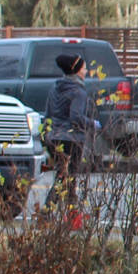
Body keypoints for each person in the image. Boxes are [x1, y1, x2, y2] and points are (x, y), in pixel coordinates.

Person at [43, 54, 104, 182]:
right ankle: (56, 201)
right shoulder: (78, 92)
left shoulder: (55, 87)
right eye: (84, 68)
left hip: (54, 137)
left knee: (62, 175)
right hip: (72, 139)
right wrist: (93, 124)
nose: (86, 71)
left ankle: (58, 200)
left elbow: (48, 114)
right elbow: (76, 117)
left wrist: (46, 135)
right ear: (76, 71)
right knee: (69, 177)